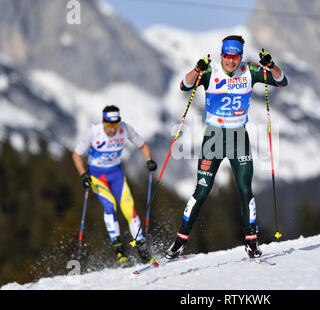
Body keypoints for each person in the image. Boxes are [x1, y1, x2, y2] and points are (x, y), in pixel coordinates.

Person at [165, 35, 288, 259]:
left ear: (241, 56)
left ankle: (251, 241)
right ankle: (179, 242)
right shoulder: (211, 71)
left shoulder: (249, 70)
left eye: (235, 57)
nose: (231, 61)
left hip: (239, 137)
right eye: (227, 56)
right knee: (202, 191)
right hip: (213, 137)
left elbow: (282, 81)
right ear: (221, 55)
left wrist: (271, 65)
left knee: (245, 189)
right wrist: (196, 69)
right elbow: (184, 85)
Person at [72, 105, 158, 265]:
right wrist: (83, 174)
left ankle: (143, 251)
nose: (113, 129)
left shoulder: (124, 129)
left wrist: (149, 160)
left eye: (116, 124)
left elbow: (143, 146)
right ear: (104, 122)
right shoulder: (94, 132)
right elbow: (76, 154)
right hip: (97, 176)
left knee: (129, 209)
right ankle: (120, 250)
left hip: (117, 174)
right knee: (110, 206)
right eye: (110, 125)